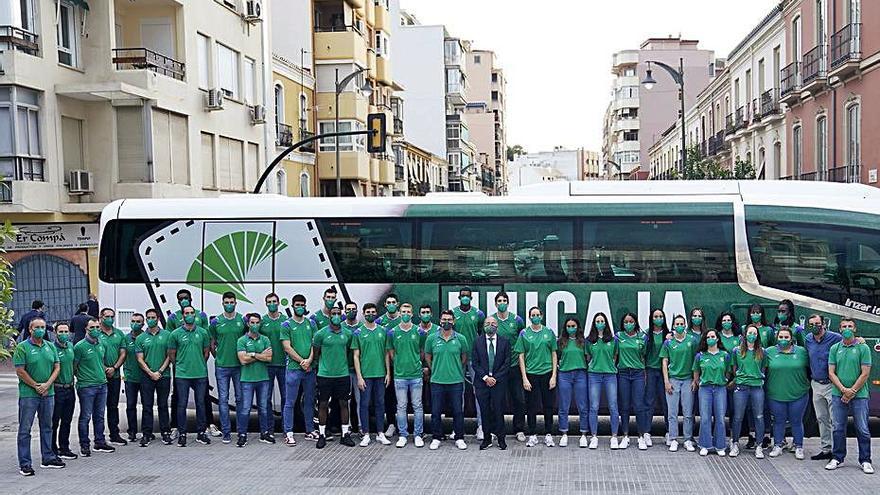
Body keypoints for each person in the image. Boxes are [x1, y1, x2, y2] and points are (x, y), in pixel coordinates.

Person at [15, 318, 64, 476]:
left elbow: (57, 366)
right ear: (30, 329)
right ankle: (25, 463)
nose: (41, 330)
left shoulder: (50, 346)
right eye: (37, 327)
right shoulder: (22, 348)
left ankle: (48, 457)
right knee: (25, 430)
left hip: (48, 393)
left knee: (47, 426)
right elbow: (20, 370)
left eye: (43, 327)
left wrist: (47, 384)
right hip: (29, 394)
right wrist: (36, 385)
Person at [166, 289, 216, 438]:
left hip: (199, 368)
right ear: (177, 301)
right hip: (181, 368)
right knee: (178, 399)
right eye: (181, 299)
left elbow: (206, 347)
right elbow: (171, 348)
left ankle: (209, 425)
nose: (184, 300)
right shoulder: (173, 317)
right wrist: (179, 363)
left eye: (186, 298)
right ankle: (175, 427)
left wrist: (199, 361)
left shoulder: (201, 316)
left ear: (191, 299)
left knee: (203, 398)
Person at [826, 318, 873, 474]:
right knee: (838, 428)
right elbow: (831, 372)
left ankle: (865, 460)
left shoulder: (863, 348)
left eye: (850, 326)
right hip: (838, 394)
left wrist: (851, 391)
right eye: (844, 326)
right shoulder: (834, 348)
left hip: (860, 395)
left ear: (855, 329)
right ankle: (837, 458)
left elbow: (865, 373)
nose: (847, 328)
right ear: (840, 330)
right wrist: (843, 390)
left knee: (863, 429)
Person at [312, 305, 357, 449]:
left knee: (344, 404)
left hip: (343, 374)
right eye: (334, 313)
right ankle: (322, 435)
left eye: (339, 313)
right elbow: (316, 353)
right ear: (329, 316)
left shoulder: (348, 334)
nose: (336, 316)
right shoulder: (320, 334)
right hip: (325, 375)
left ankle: (345, 435)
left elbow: (350, 351)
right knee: (323, 404)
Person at [425, 310, 468, 451]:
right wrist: (436, 369)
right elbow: (428, 356)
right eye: (444, 319)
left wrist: (454, 368)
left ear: (454, 321)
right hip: (437, 380)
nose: (446, 322)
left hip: (456, 381)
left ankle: (459, 438)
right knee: (436, 412)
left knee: (458, 412)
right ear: (440, 320)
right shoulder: (432, 338)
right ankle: (436, 438)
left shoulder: (461, 339)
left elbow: (464, 358)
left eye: (449, 319)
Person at [207, 292, 247, 444]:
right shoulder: (216, 322)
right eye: (226, 302)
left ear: (236, 303)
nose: (229, 304)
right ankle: (226, 433)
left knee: (240, 399)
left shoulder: (242, 320)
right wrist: (217, 356)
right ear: (222, 303)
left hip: (239, 366)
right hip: (222, 367)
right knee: (223, 400)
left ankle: (241, 432)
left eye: (232, 301)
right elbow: (212, 342)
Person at [386, 303, 427, 448]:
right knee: (401, 406)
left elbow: (422, 351)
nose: (405, 314)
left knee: (417, 405)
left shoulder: (419, 331)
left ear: (412, 314)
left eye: (408, 312)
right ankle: (403, 435)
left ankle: (418, 435)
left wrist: (416, 362)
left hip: (416, 374)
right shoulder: (392, 332)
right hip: (400, 375)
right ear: (399, 312)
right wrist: (398, 363)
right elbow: (391, 352)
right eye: (403, 311)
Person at [516, 306, 557, 448]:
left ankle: (548, 434)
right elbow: (521, 356)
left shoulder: (549, 332)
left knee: (548, 406)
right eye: (532, 315)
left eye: (537, 314)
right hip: (531, 375)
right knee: (531, 406)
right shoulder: (524, 333)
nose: (535, 317)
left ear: (542, 316)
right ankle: (532, 435)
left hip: (547, 374)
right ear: (529, 317)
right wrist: (524, 378)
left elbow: (554, 353)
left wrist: (554, 376)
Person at [765, 326, 809, 460]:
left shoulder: (802, 352)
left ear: (792, 339)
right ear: (777, 338)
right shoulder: (769, 352)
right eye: (781, 337)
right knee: (778, 421)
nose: (783, 340)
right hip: (775, 393)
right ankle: (778, 445)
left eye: (786, 337)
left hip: (799, 393)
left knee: (796, 421)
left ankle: (798, 446)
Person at [803, 314, 842, 461]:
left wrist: (860, 341)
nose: (815, 326)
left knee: (835, 419)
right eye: (811, 324)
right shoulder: (808, 339)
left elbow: (851, 342)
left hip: (832, 384)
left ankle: (837, 452)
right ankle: (826, 449)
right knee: (821, 418)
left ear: (823, 324)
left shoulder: (835, 338)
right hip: (816, 384)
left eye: (817, 323)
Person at [74, 318, 115, 456]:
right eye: (92, 327)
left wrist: (104, 370)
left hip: (102, 385)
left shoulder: (101, 343)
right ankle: (84, 445)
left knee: (100, 416)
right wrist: (83, 378)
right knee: (85, 416)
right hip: (86, 386)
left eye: (98, 327)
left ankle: (100, 442)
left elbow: (99, 361)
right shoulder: (79, 347)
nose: (96, 330)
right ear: (86, 329)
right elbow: (74, 366)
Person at [281, 294, 319, 446]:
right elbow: (286, 346)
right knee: (290, 402)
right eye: (297, 305)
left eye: (302, 305)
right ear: (292, 306)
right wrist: (301, 361)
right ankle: (289, 433)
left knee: (309, 401)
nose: (300, 307)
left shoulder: (311, 323)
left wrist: (309, 360)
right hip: (293, 369)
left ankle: (310, 430)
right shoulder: (286, 325)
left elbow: (314, 344)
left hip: (309, 369)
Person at [352, 303, 391, 446]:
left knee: (380, 404)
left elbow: (387, 353)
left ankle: (380, 433)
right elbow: (356, 356)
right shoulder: (358, 332)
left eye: (373, 312)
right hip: (366, 375)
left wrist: (388, 373)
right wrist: (359, 377)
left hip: (380, 374)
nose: (370, 314)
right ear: (363, 313)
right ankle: (366, 434)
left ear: (376, 313)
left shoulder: (383, 331)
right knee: (364, 404)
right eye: (368, 312)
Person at [491, 291, 526, 441]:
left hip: (514, 366)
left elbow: (522, 340)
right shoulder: (492, 320)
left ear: (508, 303)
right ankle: (496, 430)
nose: (502, 303)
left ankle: (518, 430)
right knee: (497, 400)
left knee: (519, 399)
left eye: (504, 300)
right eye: (499, 300)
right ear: (495, 303)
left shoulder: (517, 320)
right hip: (498, 367)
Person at [451, 287, 486, 440]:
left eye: (468, 296)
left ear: (472, 298)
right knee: (458, 393)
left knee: (478, 392)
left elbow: (481, 334)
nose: (465, 298)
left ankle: (481, 427)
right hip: (457, 360)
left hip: (474, 359)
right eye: (462, 296)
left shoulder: (478, 314)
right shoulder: (453, 314)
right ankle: (457, 429)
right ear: (459, 297)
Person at [135, 309, 173, 447]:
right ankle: (146, 434)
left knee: (163, 405)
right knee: (147, 406)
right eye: (148, 318)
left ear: (158, 318)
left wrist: (160, 371)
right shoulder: (140, 338)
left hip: (164, 375)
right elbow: (140, 359)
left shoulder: (167, 335)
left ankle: (165, 433)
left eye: (153, 317)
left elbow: (170, 355)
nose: (151, 319)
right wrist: (151, 373)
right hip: (146, 376)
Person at [236, 313, 274, 447]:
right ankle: (242, 435)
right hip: (247, 379)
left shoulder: (265, 339)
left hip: (263, 379)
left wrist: (251, 354)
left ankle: (264, 433)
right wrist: (260, 355)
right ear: (248, 324)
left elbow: (269, 358)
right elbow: (242, 360)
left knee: (263, 408)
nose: (255, 325)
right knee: (245, 409)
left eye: (257, 322)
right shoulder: (241, 340)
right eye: (252, 322)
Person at [471, 316, 510, 450]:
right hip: (482, 383)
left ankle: (501, 439)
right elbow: (475, 363)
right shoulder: (477, 342)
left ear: (497, 326)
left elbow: (507, 363)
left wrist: (495, 378)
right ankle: (487, 439)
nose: (490, 325)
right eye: (488, 323)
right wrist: (486, 377)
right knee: (485, 411)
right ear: (483, 326)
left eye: (493, 323)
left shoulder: (505, 342)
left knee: (499, 410)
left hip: (498, 383)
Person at [660, 314, 697, 452]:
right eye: (677, 324)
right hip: (673, 380)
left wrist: (695, 379)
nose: (680, 326)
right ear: (673, 326)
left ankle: (688, 439)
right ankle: (673, 439)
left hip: (688, 380)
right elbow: (664, 362)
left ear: (685, 325)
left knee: (688, 412)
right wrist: (666, 381)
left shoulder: (691, 341)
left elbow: (696, 361)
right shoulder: (668, 342)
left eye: (682, 324)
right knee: (672, 412)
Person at [730, 324, 767, 459]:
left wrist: (758, 377)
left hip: (757, 387)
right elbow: (734, 368)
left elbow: (764, 368)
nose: (752, 335)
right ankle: (735, 443)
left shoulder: (762, 351)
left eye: (755, 333)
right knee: (738, 416)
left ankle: (759, 445)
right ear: (745, 335)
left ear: (757, 336)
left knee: (759, 416)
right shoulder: (736, 351)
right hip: (741, 387)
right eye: (750, 333)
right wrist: (740, 378)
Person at [692, 329, 731, 456]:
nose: (711, 338)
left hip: (720, 388)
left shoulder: (724, 355)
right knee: (705, 418)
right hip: (705, 389)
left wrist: (724, 380)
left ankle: (720, 446)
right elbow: (696, 372)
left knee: (720, 418)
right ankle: (705, 445)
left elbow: (728, 371)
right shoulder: (700, 356)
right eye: (708, 337)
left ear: (718, 338)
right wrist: (698, 382)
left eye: (713, 336)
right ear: (705, 340)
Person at [586, 312, 618, 450]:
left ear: (606, 323)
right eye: (597, 321)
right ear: (594, 323)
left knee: (613, 406)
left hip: (610, 375)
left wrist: (610, 365)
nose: (600, 323)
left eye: (602, 321)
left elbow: (615, 355)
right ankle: (593, 436)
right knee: (593, 406)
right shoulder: (589, 340)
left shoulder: (613, 339)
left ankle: (614, 437)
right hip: (594, 375)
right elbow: (588, 357)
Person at [555, 317, 588, 448]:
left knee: (583, 406)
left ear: (578, 327)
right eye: (568, 326)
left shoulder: (583, 342)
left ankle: (584, 434)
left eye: (573, 325)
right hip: (564, 375)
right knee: (564, 406)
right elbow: (555, 356)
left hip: (580, 374)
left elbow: (589, 356)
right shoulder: (561, 342)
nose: (571, 328)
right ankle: (564, 433)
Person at [617, 312, 649, 450]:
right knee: (624, 406)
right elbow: (615, 354)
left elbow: (644, 355)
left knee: (639, 406)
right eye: (626, 322)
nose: (628, 324)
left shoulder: (642, 337)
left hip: (638, 374)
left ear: (635, 322)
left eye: (631, 322)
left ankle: (641, 437)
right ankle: (625, 436)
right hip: (623, 373)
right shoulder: (618, 336)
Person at [746, 303, 775, 449]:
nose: (755, 315)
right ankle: (752, 435)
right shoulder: (746, 330)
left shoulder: (768, 330)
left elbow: (770, 351)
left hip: (762, 374)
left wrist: (764, 372)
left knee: (764, 407)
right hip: (748, 376)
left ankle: (766, 436)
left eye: (758, 312)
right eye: (753, 312)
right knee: (751, 408)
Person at [96, 308, 127, 446]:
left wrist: (114, 368)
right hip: (99, 377)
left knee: (113, 406)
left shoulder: (119, 334)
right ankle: (99, 437)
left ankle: (114, 434)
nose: (110, 319)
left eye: (112, 316)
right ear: (101, 317)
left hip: (114, 375)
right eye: (107, 316)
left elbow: (123, 353)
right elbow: (94, 355)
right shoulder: (96, 334)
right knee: (99, 408)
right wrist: (103, 368)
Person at [260, 292, 288, 432]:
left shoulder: (285, 320)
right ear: (266, 304)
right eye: (269, 302)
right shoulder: (261, 321)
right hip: (267, 366)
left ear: (278, 303)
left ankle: (285, 429)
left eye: (274, 301)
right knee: (266, 399)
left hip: (284, 365)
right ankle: (269, 429)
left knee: (286, 398)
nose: (272, 304)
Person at [51, 322, 77, 461]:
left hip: (69, 388)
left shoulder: (71, 346)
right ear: (55, 333)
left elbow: (74, 365)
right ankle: (52, 449)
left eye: (66, 331)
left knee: (67, 420)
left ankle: (64, 448)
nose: (64, 334)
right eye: (60, 332)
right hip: (57, 389)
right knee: (54, 421)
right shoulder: (51, 348)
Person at [643, 308, 668, 448]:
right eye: (655, 316)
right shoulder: (646, 335)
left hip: (664, 373)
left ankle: (670, 432)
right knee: (649, 402)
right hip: (651, 371)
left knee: (666, 403)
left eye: (660, 316)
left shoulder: (669, 335)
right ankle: (646, 432)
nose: (658, 319)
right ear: (651, 319)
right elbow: (643, 354)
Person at [378, 294, 402, 439]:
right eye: (389, 302)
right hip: (387, 366)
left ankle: (402, 425)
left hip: (403, 367)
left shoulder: (405, 320)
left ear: (397, 304)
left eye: (394, 302)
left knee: (404, 398)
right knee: (389, 396)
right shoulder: (380, 322)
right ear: (385, 305)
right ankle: (391, 424)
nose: (391, 304)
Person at [342, 301, 365, 435]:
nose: (351, 311)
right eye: (348, 309)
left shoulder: (362, 327)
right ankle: (348, 425)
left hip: (359, 371)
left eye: (353, 309)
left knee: (360, 400)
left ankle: (362, 426)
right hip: (344, 370)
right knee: (346, 400)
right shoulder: (340, 327)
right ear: (345, 311)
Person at [122, 314, 145, 443]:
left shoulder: (145, 337)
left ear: (143, 324)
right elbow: (122, 355)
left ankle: (147, 432)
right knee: (131, 405)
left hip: (144, 377)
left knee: (147, 406)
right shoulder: (126, 339)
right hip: (130, 377)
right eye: (133, 321)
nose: (135, 323)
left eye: (138, 321)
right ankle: (132, 432)